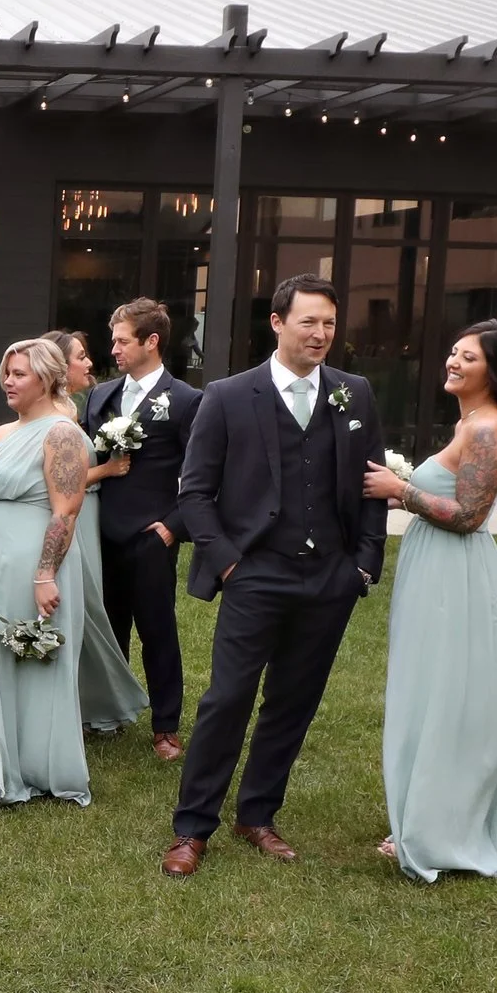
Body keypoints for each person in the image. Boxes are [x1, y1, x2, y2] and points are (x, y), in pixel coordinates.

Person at [163, 275, 385, 877]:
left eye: (330, 324)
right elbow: (195, 490)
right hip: (256, 572)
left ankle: (257, 814)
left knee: (293, 702)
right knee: (227, 698)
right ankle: (192, 826)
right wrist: (228, 560)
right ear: (278, 323)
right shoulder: (231, 395)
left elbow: (372, 482)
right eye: (309, 322)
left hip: (330, 577)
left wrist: (363, 562)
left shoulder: (354, 392)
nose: (321, 334)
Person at [362, 322, 497, 882]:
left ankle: (438, 830)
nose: (454, 363)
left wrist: (400, 491)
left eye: (469, 357)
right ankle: (421, 816)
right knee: (427, 689)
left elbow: (470, 517)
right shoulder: (469, 423)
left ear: (495, 371)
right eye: (453, 353)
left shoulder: (489, 428)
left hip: (457, 575)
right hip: (432, 565)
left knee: (447, 695)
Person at [0, 338, 96, 813]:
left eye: (19, 373)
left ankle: (42, 767)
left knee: (36, 658)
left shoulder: (60, 434)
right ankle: (6, 759)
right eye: (6, 372)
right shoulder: (1, 433)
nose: (8, 381)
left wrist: (45, 574)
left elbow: (66, 511)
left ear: (45, 378)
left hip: (37, 566)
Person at [81, 300, 204, 761]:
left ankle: (165, 726)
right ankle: (109, 710)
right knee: (106, 628)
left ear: (151, 342)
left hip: (152, 537)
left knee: (157, 630)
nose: (113, 349)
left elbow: (203, 476)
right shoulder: (100, 396)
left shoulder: (188, 401)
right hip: (99, 535)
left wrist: (172, 529)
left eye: (121, 341)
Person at [47, 329, 148, 735]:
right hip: (73, 518)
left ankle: (90, 703)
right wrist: (106, 469)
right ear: (59, 366)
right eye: (82, 356)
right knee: (82, 606)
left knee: (91, 607)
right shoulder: (58, 416)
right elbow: (57, 480)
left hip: (88, 519)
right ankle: (83, 704)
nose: (90, 363)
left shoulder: (76, 408)